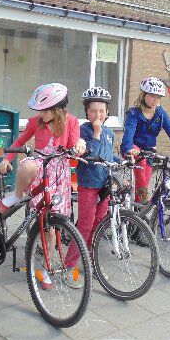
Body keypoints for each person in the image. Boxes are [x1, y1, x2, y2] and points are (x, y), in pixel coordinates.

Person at [0, 83, 86, 214]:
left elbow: (74, 147)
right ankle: (17, 195)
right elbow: (20, 141)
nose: (41, 114)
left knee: (55, 214)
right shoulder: (36, 122)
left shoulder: (71, 121)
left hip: (60, 171)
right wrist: (6, 160)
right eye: (40, 110)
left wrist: (80, 144)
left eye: (44, 111)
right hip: (40, 165)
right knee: (27, 167)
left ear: (57, 109)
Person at [63, 87, 119, 288]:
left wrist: (123, 161)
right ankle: (69, 265)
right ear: (87, 112)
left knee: (98, 224)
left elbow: (108, 155)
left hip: (105, 185)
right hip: (88, 184)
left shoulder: (110, 133)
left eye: (102, 111)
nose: (98, 115)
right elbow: (90, 153)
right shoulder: (84, 131)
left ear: (107, 112)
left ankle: (87, 259)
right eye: (93, 111)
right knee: (85, 225)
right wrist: (96, 133)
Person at [120, 77, 170, 202]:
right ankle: (143, 201)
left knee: (144, 183)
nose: (155, 100)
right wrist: (128, 149)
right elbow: (128, 134)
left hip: (149, 152)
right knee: (142, 181)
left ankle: (138, 210)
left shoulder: (161, 114)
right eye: (152, 96)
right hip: (133, 148)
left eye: (158, 97)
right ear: (143, 95)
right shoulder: (134, 113)